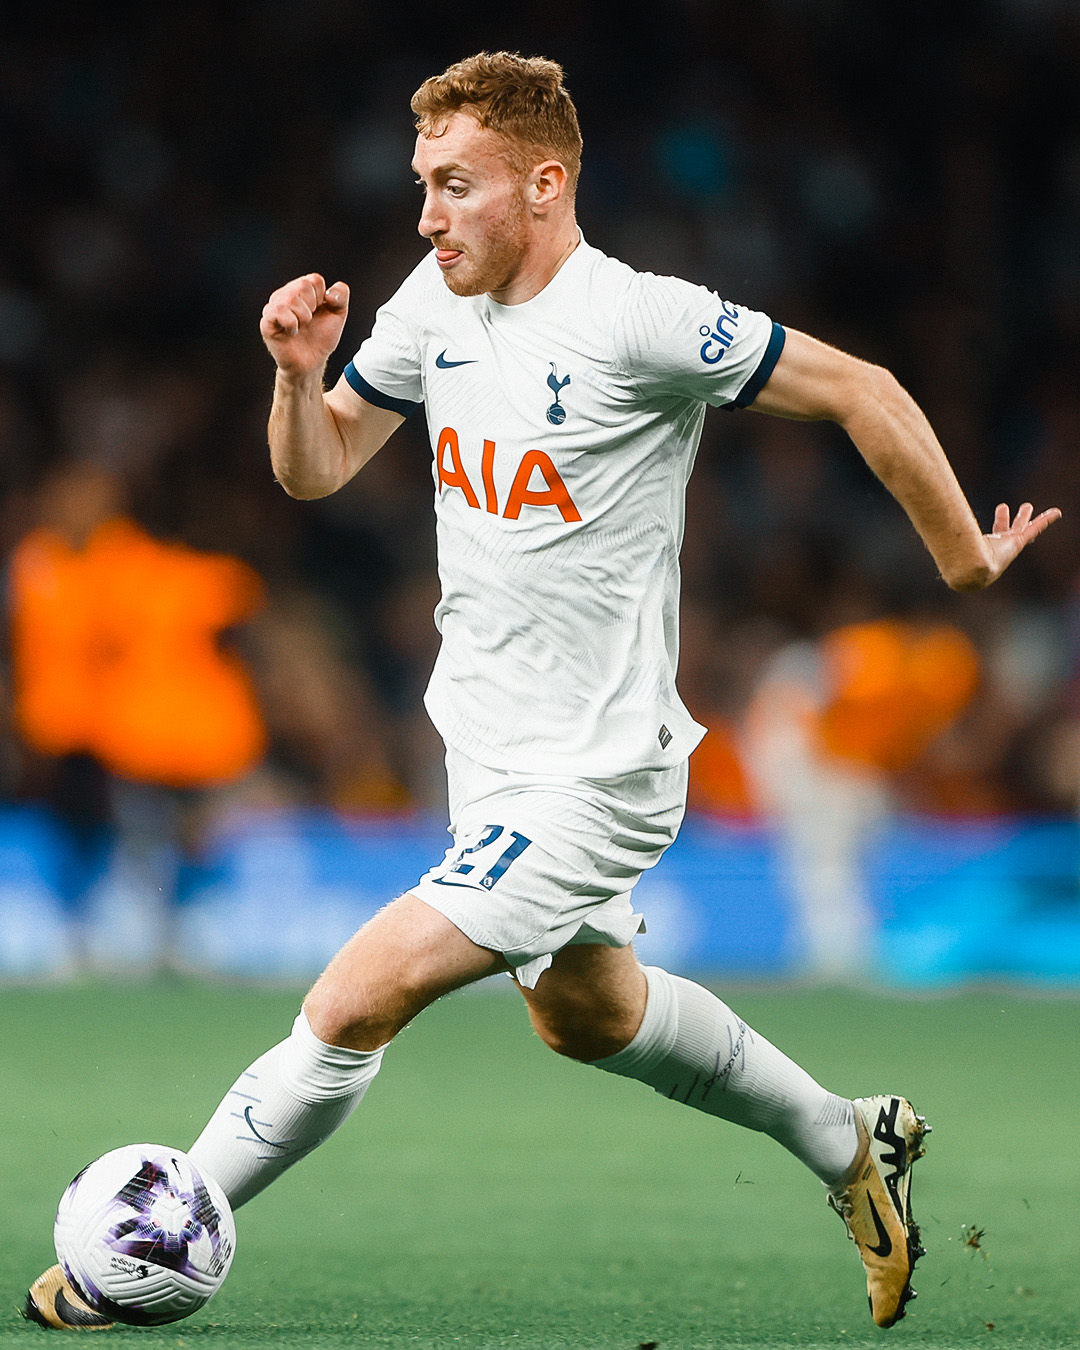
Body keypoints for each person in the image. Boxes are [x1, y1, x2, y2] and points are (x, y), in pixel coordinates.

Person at [27, 51, 1059, 1333]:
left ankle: (151, 1238)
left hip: (599, 774)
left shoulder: (640, 319)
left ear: (546, 183)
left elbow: (866, 389)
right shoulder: (432, 303)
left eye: (454, 186)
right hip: (490, 762)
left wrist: (965, 557)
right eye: (421, 185)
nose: (425, 216)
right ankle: (850, 1145)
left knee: (358, 996)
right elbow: (317, 470)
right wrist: (298, 378)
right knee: (591, 1015)